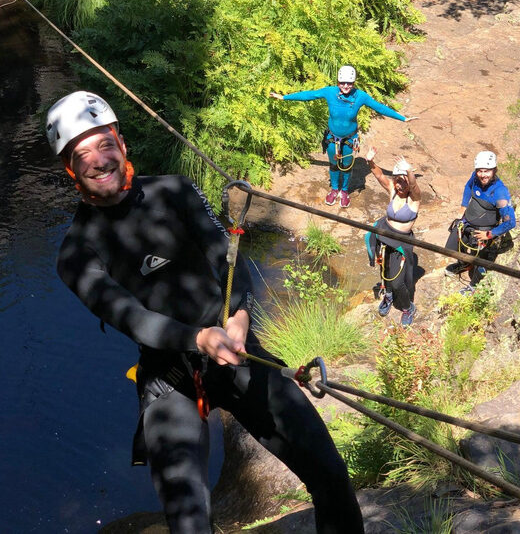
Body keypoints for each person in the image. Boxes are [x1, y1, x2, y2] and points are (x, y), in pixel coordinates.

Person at [46, 90, 364, 534]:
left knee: (330, 473)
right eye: (83, 154)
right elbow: (129, 316)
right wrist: (198, 339)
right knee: (189, 521)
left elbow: (225, 256)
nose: (99, 160)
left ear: (122, 143)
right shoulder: (76, 253)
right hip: (170, 377)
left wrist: (238, 318)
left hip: (235, 349)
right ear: (70, 168)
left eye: (105, 145)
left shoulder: (173, 190)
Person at [270, 65, 416, 208]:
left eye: (349, 83)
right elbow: (309, 94)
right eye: (342, 82)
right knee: (333, 165)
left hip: (349, 140)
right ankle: (334, 189)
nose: (346, 86)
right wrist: (284, 97)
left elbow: (380, 107)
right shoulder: (330, 92)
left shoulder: (360, 96)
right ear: (338, 82)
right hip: (332, 138)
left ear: (353, 83)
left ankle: (344, 191)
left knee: (346, 167)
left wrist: (402, 118)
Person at [445, 150, 516, 295]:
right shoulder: (475, 177)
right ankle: (464, 264)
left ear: (494, 170)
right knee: (454, 247)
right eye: (480, 171)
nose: (483, 174)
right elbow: (467, 187)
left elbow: (510, 223)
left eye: (487, 171)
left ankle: (473, 286)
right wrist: (462, 209)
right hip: (467, 221)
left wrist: (490, 234)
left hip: (484, 230)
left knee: (481, 261)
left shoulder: (500, 192)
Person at [364, 147, 421, 327]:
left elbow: (413, 186)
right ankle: (387, 296)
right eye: (397, 181)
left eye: (403, 182)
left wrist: (409, 171)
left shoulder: (414, 198)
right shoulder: (393, 190)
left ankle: (407, 307)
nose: (399, 185)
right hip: (384, 236)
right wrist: (370, 162)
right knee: (385, 270)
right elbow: (380, 176)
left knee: (398, 282)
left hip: (401, 243)